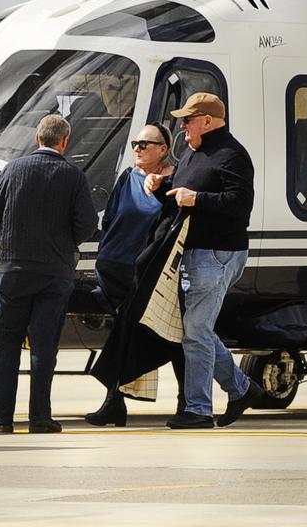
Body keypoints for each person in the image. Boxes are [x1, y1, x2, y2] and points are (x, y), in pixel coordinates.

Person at [144, 92, 263, 429]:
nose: (182, 126)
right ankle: (241, 389)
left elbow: (240, 204)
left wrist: (197, 198)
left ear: (209, 121)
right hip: (196, 253)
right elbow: (180, 195)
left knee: (196, 331)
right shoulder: (193, 155)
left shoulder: (232, 154)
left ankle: (198, 409)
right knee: (197, 331)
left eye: (188, 119)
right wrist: (161, 185)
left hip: (218, 253)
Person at [0, 114, 97, 434]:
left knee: (6, 344)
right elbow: (88, 223)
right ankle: (40, 418)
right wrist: (65, 239)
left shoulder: (13, 170)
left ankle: (1, 419)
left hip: (14, 269)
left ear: (37, 139)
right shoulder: (74, 176)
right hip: (54, 272)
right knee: (44, 348)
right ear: (64, 142)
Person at [85, 122, 178, 427]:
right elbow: (111, 216)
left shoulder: (173, 181)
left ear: (163, 149)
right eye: (135, 144)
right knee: (123, 333)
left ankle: (188, 401)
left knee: (168, 337)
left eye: (144, 144)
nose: (137, 149)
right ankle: (115, 403)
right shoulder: (127, 177)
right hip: (114, 268)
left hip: (147, 272)